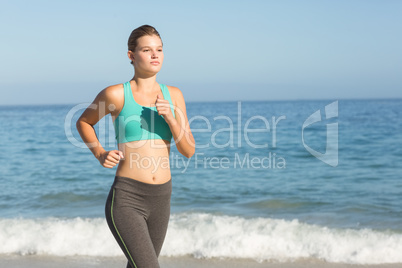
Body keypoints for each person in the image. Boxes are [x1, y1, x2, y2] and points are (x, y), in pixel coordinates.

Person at [76, 25, 195, 268]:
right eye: (147, 50)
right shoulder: (116, 94)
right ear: (131, 56)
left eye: (159, 49)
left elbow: (188, 150)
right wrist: (99, 152)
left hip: (162, 197)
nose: (155, 55)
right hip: (127, 197)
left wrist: (171, 119)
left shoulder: (174, 95)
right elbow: (84, 122)